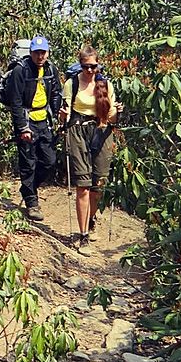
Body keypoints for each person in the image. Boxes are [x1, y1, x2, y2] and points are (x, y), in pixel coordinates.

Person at [58, 45, 123, 256]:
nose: (89, 71)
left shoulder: (105, 85)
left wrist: (116, 112)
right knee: (83, 186)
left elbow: (112, 116)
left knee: (98, 185)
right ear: (80, 65)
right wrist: (62, 116)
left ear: (98, 65)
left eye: (93, 66)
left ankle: (91, 218)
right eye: (86, 66)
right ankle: (83, 234)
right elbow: (65, 112)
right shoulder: (72, 83)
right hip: (77, 131)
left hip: (102, 132)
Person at [7, 35, 63, 221]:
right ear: (31, 52)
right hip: (27, 120)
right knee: (28, 162)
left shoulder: (50, 69)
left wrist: (56, 112)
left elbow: (55, 92)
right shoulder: (20, 71)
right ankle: (32, 202)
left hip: (43, 120)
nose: (40, 56)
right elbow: (15, 102)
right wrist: (22, 127)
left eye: (43, 52)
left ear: (47, 53)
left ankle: (27, 188)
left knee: (49, 161)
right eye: (37, 52)